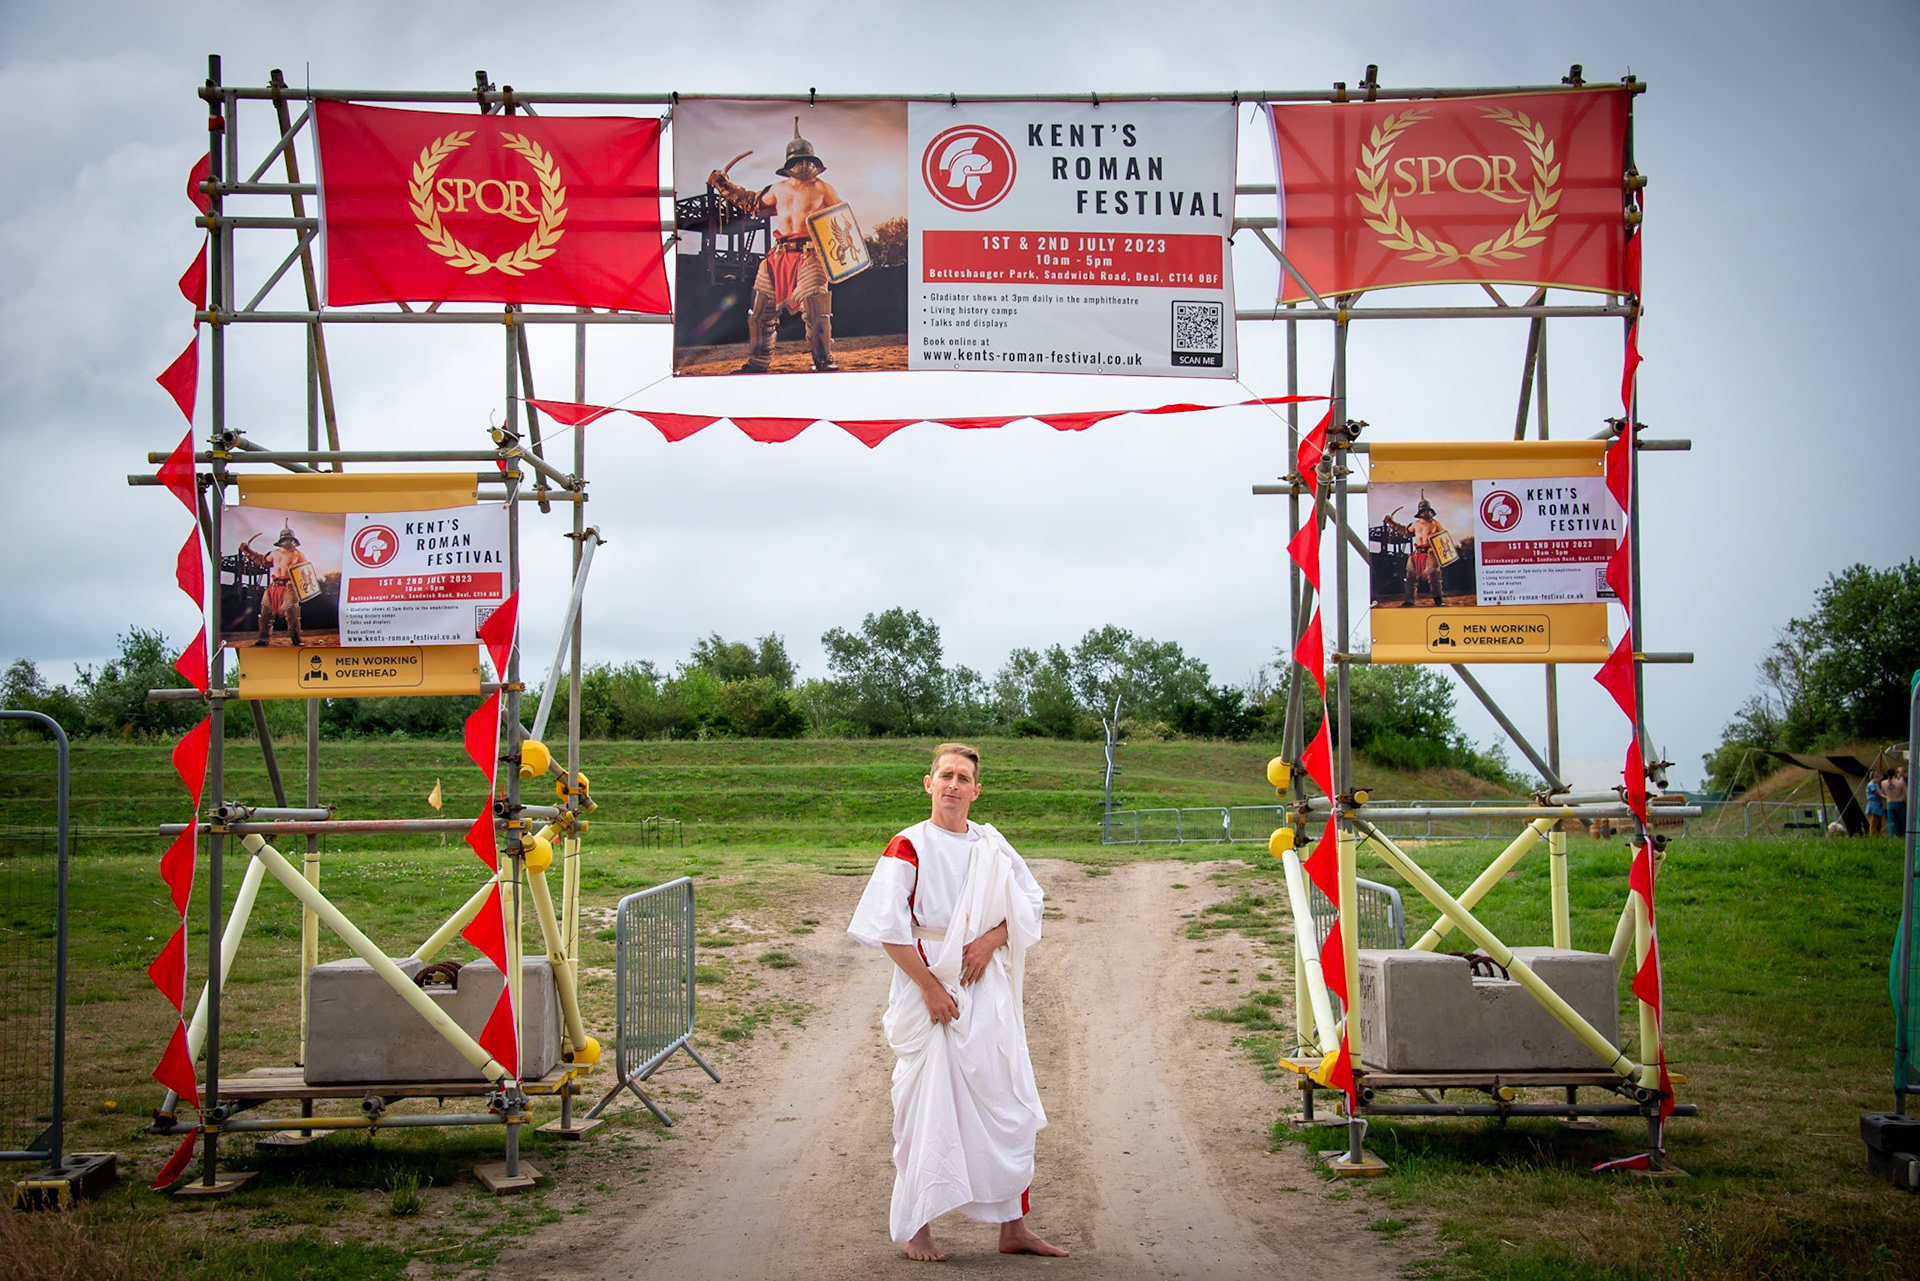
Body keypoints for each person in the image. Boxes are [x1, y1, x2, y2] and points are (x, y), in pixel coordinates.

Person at [847, 744, 1067, 1263]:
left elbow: (1029, 900)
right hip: (929, 988)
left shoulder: (990, 844)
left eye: (963, 777)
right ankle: (917, 1228)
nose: (953, 785)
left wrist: (992, 940)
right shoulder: (908, 845)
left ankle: (1013, 1227)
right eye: (945, 775)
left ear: (976, 789)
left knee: (1005, 1102)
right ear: (928, 783)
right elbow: (888, 928)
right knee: (924, 1106)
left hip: (982, 984)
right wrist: (928, 986)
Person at [708, 122, 844, 373]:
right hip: (777, 257)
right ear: (789, 164)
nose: (803, 165)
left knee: (818, 314)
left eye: (807, 160)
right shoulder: (777, 190)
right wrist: (724, 185)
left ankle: (823, 360)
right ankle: (758, 362)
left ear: (814, 161)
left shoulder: (825, 188)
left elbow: (841, 223)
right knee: (759, 314)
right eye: (799, 160)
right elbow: (751, 202)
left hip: (810, 256)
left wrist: (841, 250)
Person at [240, 526, 311, 647]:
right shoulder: (274, 553)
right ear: (281, 541)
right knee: (265, 617)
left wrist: (303, 586)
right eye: (285, 539)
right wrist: (247, 550)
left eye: (290, 539)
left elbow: (306, 572)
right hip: (273, 588)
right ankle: (263, 640)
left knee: (293, 616)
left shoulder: (299, 555)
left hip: (289, 587)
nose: (288, 542)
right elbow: (262, 561)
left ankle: (297, 641)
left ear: (294, 541)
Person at [1383, 494, 1451, 607]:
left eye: (1428, 511)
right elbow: (1405, 532)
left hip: (1431, 554)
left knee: (1435, 579)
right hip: (1416, 554)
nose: (1426, 513)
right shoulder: (1415, 524)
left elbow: (1443, 539)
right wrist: (1391, 523)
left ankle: (1438, 600)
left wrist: (1434, 550)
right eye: (1424, 511)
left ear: (1431, 512)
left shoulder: (1436, 524)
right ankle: (1410, 600)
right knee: (1410, 579)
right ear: (1420, 512)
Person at [1887, 766, 1907, 839]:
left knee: (1892, 822)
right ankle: (1901, 835)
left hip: (1890, 803)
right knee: (1902, 821)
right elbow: (1905, 794)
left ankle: (1893, 836)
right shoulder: (1900, 783)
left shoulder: (1884, 783)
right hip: (1899, 802)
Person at [1865, 771, 1887, 837]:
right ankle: (1872, 835)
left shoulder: (1877, 785)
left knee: (1879, 822)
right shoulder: (1871, 785)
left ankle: (1878, 835)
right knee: (1873, 821)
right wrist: (1887, 797)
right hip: (1873, 804)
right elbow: (1878, 794)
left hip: (1878, 804)